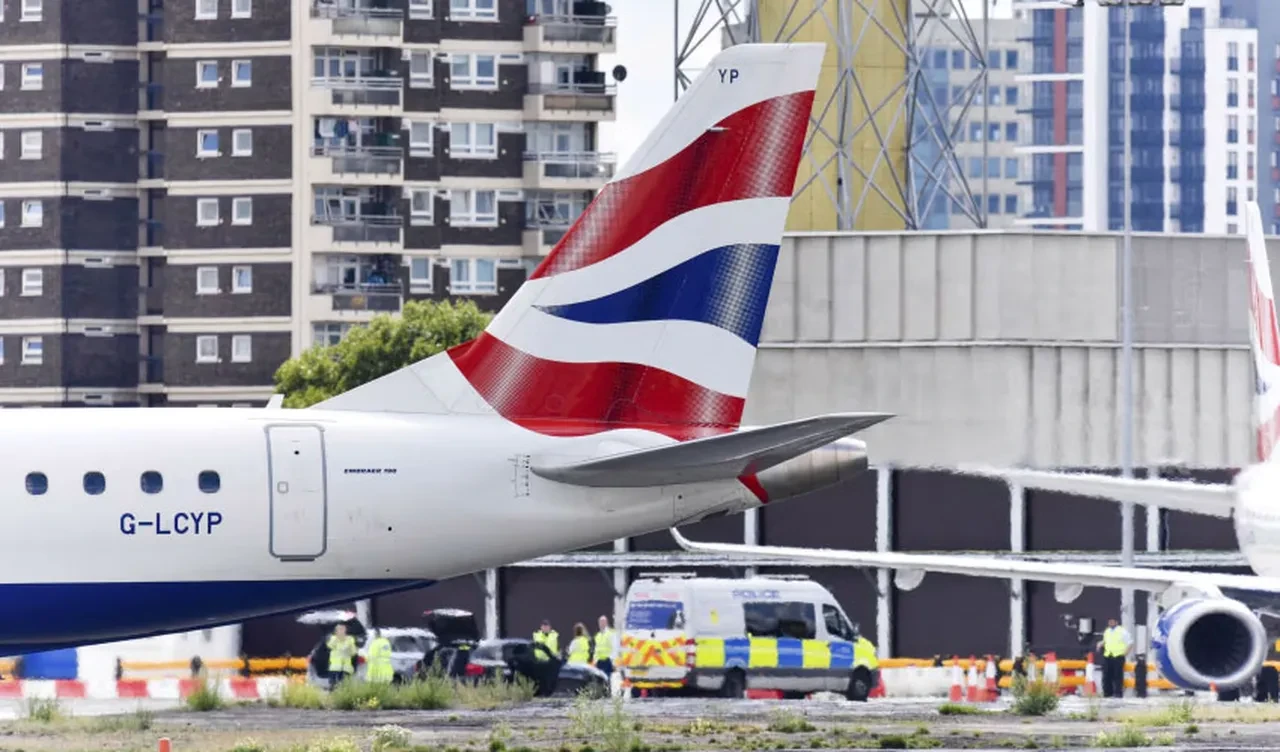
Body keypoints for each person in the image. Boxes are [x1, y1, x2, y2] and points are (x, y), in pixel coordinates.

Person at [1097, 617, 1131, 698]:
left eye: (1112, 622)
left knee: (1118, 676)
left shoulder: (1122, 631)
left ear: (1116, 622)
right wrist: (1100, 644)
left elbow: (1130, 643)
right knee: (1106, 676)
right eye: (1109, 622)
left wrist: (1125, 653)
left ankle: (1118, 694)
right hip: (1108, 656)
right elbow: (1105, 641)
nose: (1111, 623)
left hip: (1118, 657)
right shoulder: (1107, 631)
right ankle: (1107, 694)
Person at [326, 623, 357, 689]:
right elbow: (330, 646)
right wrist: (337, 638)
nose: (341, 631)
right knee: (333, 687)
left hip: (346, 668)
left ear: (345, 630)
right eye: (339, 630)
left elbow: (353, 652)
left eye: (342, 629)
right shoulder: (333, 639)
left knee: (344, 687)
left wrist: (349, 644)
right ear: (336, 631)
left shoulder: (350, 640)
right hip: (334, 668)